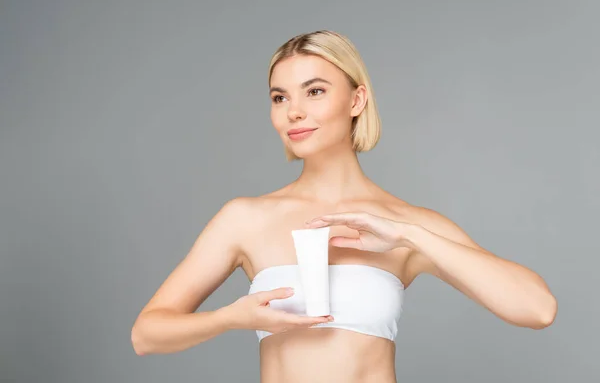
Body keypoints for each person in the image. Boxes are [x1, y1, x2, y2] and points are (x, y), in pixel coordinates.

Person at [130, 30, 557, 382]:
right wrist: (228, 318)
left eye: (314, 91)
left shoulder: (407, 224)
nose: (293, 112)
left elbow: (538, 309)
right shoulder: (245, 218)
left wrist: (409, 236)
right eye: (279, 98)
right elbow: (147, 335)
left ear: (356, 101)